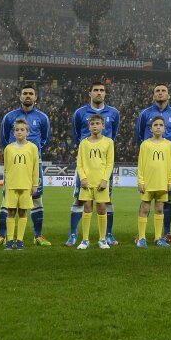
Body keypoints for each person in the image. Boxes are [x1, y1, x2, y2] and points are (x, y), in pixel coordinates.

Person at [0, 84, 51, 247]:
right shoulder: (9, 117)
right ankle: (2, 235)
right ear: (20, 97)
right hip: (14, 164)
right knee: (7, 200)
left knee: (37, 198)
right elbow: (4, 138)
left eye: (31, 94)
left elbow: (46, 139)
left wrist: (33, 151)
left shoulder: (42, 117)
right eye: (25, 93)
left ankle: (38, 235)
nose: (28, 96)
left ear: (35, 97)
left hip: (33, 162)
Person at [69, 81, 120, 247]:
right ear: (90, 93)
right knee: (79, 200)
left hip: (102, 165)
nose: (99, 93)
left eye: (102, 90)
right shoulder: (80, 112)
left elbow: (115, 133)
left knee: (106, 201)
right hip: (86, 163)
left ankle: (107, 235)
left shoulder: (113, 113)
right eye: (95, 90)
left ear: (105, 93)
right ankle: (73, 234)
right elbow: (76, 134)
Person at [135, 84, 171, 244]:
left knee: (167, 199)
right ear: (153, 95)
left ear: (168, 95)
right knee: (146, 202)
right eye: (157, 91)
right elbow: (139, 136)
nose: (160, 93)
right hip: (150, 160)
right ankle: (141, 235)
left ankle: (165, 233)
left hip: (168, 159)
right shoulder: (145, 114)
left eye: (163, 91)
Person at [75, 114, 115, 250]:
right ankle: (85, 239)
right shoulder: (83, 143)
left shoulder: (109, 142)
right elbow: (79, 164)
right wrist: (83, 178)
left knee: (102, 209)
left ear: (103, 126)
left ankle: (102, 239)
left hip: (101, 183)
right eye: (92, 124)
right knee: (86, 208)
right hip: (87, 182)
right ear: (89, 126)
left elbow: (110, 164)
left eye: (98, 123)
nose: (95, 126)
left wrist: (105, 180)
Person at [137, 116, 171, 247]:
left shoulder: (169, 145)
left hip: (162, 183)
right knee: (145, 208)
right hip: (148, 183)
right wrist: (140, 181)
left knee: (159, 209)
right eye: (155, 125)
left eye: (161, 125)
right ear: (151, 128)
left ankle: (158, 238)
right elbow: (141, 164)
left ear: (165, 128)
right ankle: (141, 238)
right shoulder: (145, 144)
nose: (158, 127)